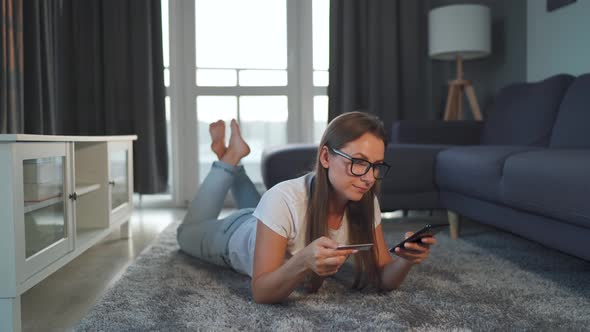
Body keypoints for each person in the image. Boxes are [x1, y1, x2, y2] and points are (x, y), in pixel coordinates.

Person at [177, 112, 437, 304]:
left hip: (270, 221)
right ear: (326, 157)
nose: (369, 178)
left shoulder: (366, 201)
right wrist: (302, 261)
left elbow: (383, 277)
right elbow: (261, 291)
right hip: (235, 234)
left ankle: (231, 156)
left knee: (268, 208)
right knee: (186, 232)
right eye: (359, 162)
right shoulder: (283, 199)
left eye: (376, 165)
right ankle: (229, 159)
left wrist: (405, 260)